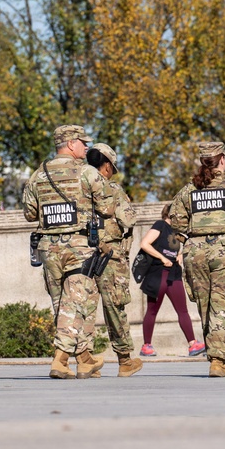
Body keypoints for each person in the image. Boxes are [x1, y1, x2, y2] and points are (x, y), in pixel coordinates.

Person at [23, 125, 110, 380]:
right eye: (83, 143)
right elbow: (107, 208)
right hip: (78, 247)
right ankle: (60, 360)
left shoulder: (39, 175)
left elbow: (29, 213)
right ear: (71, 144)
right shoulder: (87, 173)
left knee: (63, 304)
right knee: (74, 303)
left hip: (48, 248)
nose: (86, 148)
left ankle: (84, 359)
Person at [169, 141, 225, 377]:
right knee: (222, 306)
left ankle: (218, 354)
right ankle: (218, 360)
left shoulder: (189, 189)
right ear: (222, 160)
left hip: (195, 252)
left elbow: (176, 223)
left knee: (205, 306)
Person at [84, 143, 143, 377]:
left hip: (83, 253)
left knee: (84, 309)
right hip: (110, 255)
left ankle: (86, 361)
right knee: (114, 307)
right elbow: (128, 221)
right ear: (107, 165)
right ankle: (125, 360)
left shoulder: (79, 189)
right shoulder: (112, 189)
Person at [137, 203, 205, 357]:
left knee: (183, 310)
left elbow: (185, 244)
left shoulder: (178, 231)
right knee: (152, 311)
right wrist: (162, 258)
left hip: (173, 273)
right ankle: (146, 345)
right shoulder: (160, 225)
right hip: (158, 273)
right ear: (171, 214)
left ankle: (193, 344)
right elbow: (145, 244)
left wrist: (181, 254)